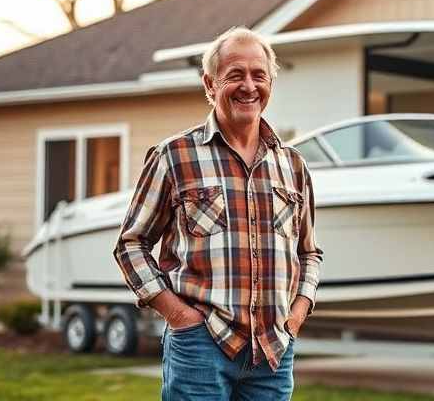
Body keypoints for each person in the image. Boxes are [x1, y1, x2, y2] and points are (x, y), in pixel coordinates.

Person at [113, 26, 323, 400]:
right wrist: (178, 316)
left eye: (259, 74)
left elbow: (308, 252)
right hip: (200, 347)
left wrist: (296, 316)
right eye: (235, 75)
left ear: (271, 82)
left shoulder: (293, 165)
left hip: (273, 353)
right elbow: (131, 244)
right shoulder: (174, 156)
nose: (249, 86)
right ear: (210, 84)